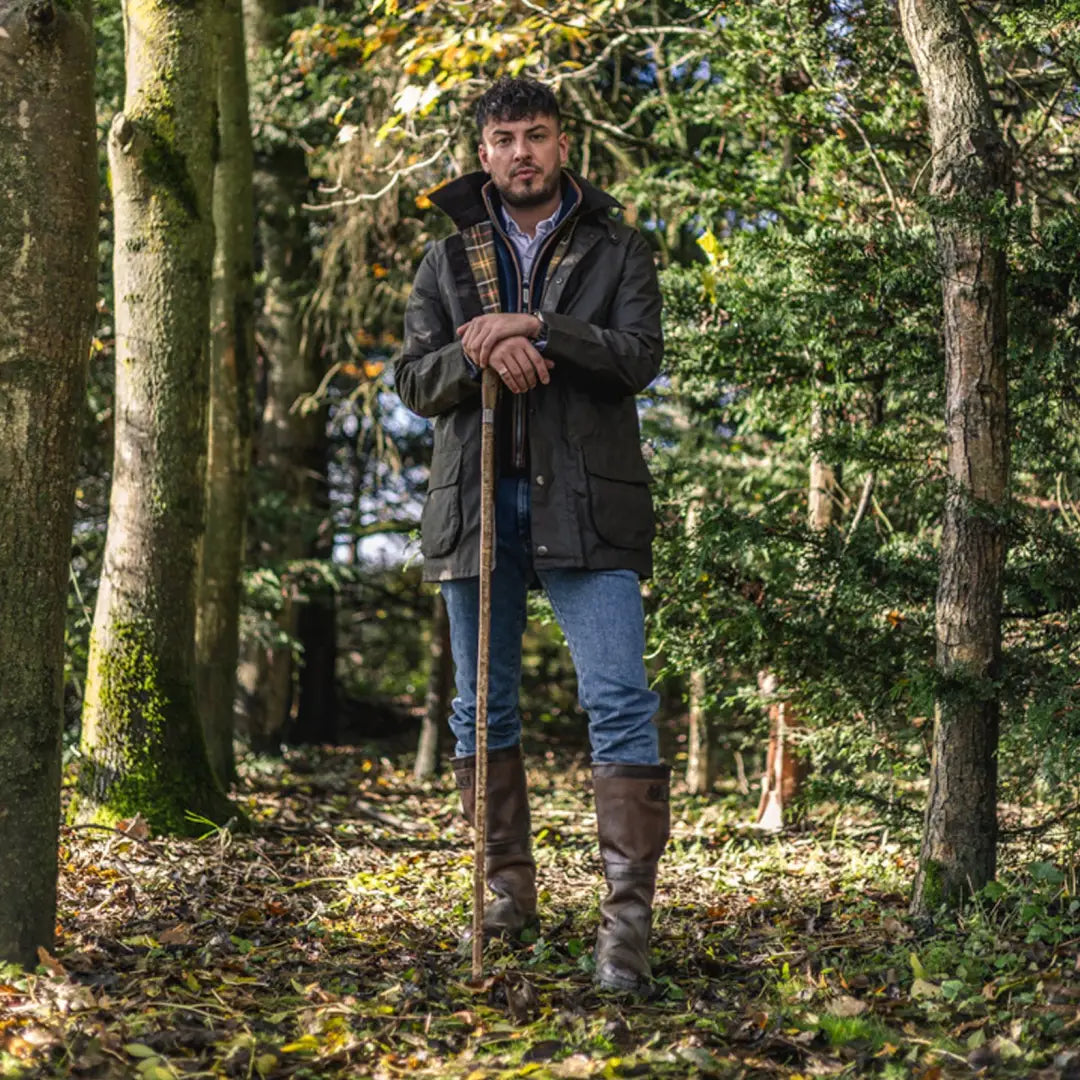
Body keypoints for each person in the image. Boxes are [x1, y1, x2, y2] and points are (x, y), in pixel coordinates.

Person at [395, 76, 669, 993]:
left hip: (588, 510)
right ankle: (505, 897)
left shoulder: (618, 247)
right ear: (484, 155)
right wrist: (482, 341)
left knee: (620, 699)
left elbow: (637, 358)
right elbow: (413, 379)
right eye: (504, 138)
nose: (522, 152)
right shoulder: (444, 261)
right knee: (483, 707)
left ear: (563, 147)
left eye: (537, 136)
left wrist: (540, 327)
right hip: (476, 511)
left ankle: (625, 929)